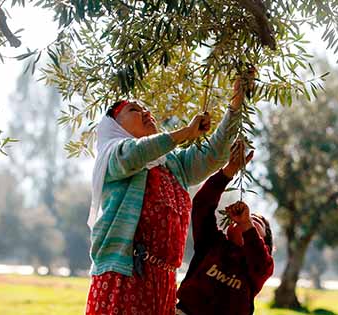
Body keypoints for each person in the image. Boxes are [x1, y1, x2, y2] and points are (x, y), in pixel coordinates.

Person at [85, 78, 249, 315]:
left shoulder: (171, 162)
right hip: (125, 275)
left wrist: (236, 103)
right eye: (134, 110)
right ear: (116, 127)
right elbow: (134, 153)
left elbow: (212, 155)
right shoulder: (113, 156)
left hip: (162, 281)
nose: (145, 112)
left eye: (144, 108)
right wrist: (186, 132)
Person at [176, 140, 274, 315]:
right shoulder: (212, 243)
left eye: (256, 222)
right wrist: (229, 170)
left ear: (265, 245)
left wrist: (246, 224)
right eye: (248, 219)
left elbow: (260, 262)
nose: (247, 219)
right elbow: (202, 204)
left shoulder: (259, 268)